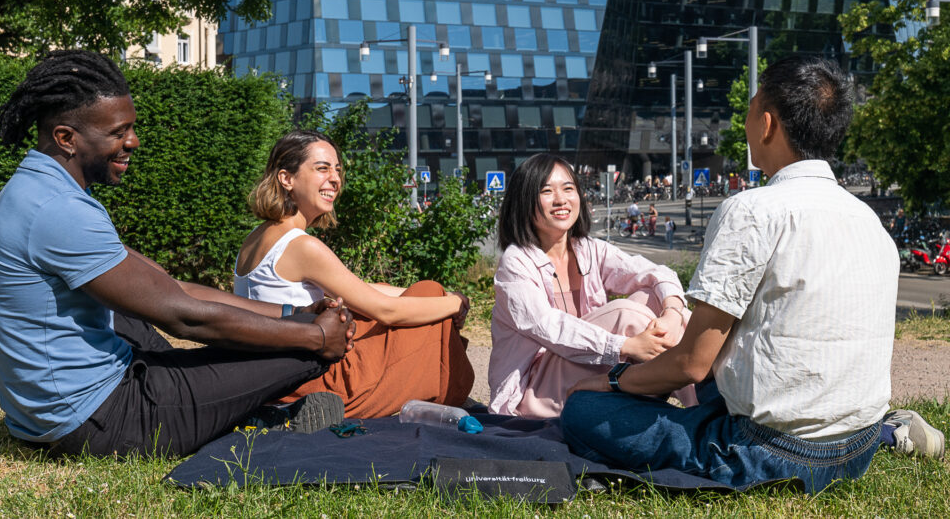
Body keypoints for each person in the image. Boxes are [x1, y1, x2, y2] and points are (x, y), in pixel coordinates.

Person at [561, 55, 942, 492]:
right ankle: (889, 432)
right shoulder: (869, 221)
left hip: (770, 455)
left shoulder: (752, 211)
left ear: (766, 124)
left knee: (582, 411)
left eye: (748, 109)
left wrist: (611, 381)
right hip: (855, 446)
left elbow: (691, 363)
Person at [0, 51, 356, 458]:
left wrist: (287, 315)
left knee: (131, 312)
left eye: (131, 128)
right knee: (305, 353)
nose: (133, 142)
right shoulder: (58, 210)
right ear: (67, 138)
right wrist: (314, 335)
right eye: (118, 132)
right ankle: (262, 424)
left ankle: (238, 410)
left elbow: (169, 286)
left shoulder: (41, 188)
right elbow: (182, 315)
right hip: (95, 423)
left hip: (53, 413)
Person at [234, 130, 474, 418]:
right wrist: (454, 302)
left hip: (274, 380)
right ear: (287, 179)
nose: (335, 179)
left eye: (337, 169)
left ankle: (447, 386)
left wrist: (441, 297)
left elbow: (360, 288)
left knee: (418, 294)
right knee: (430, 293)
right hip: (312, 385)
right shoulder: (301, 246)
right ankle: (453, 391)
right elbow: (387, 311)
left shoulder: (257, 238)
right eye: (322, 168)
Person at [487, 153, 695, 418]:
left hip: (585, 369)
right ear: (524, 201)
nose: (561, 199)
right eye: (547, 191)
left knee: (655, 300)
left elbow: (656, 273)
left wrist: (672, 312)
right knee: (626, 313)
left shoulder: (588, 250)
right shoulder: (515, 263)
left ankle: (715, 403)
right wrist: (624, 347)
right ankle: (704, 410)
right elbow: (550, 327)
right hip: (533, 392)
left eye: (568, 188)